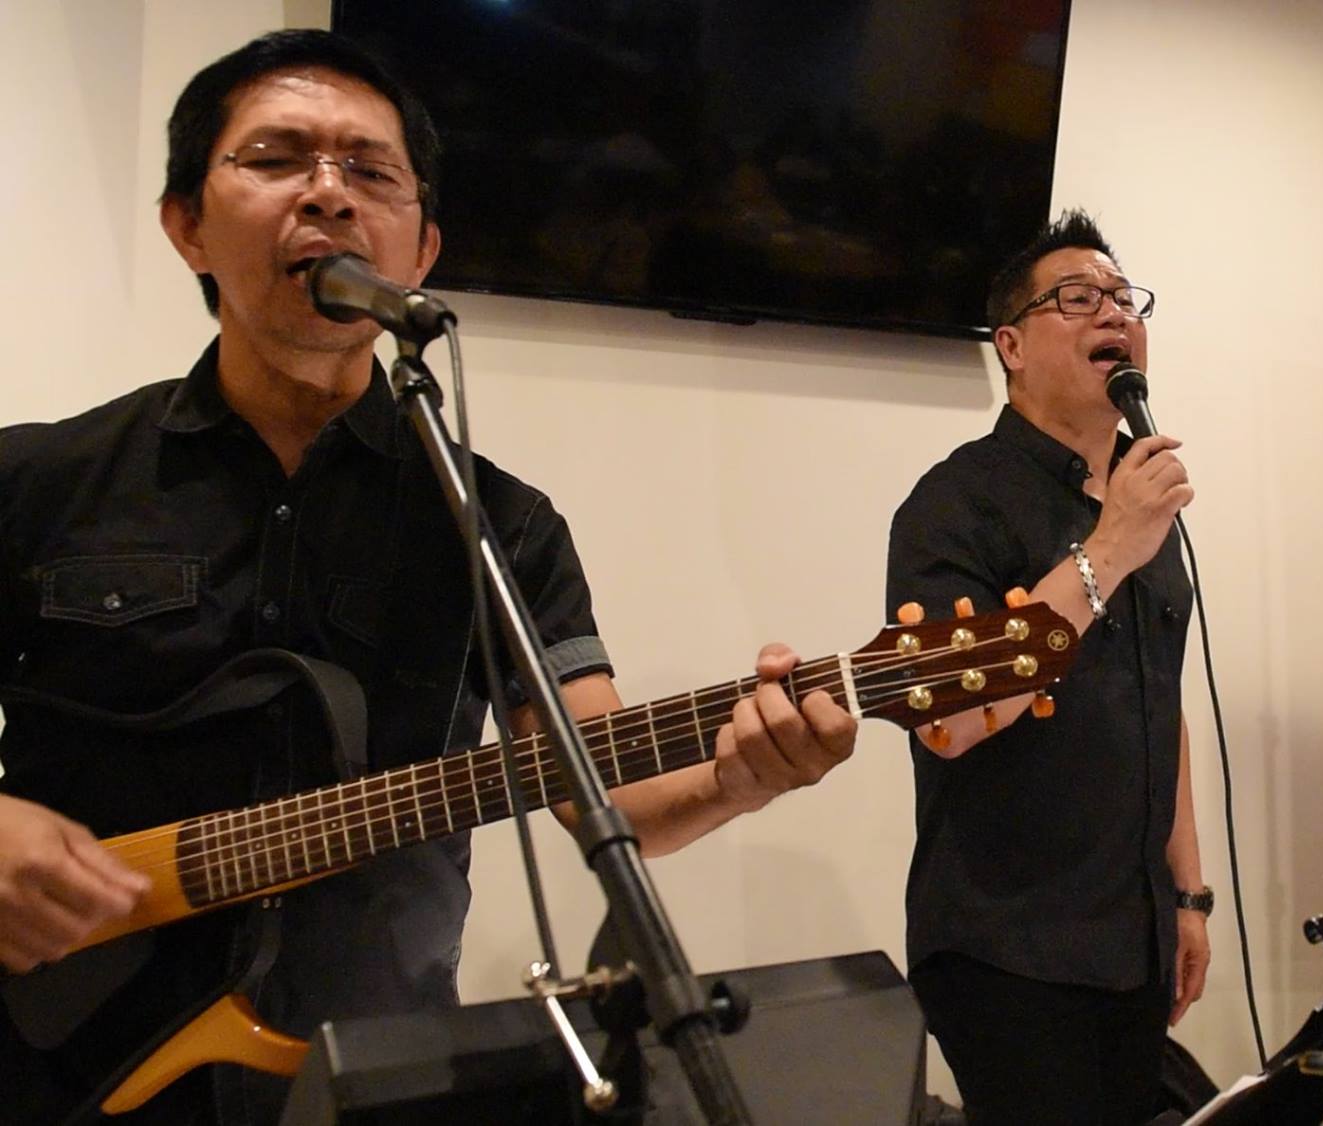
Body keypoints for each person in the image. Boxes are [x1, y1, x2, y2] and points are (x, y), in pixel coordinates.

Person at [0, 30, 856, 1125]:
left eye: (371, 171)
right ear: (186, 225)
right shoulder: (38, 479)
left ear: (421, 252)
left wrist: (744, 777)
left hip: (368, 1064)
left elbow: (604, 788)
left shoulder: (501, 525)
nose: (329, 194)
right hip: (51, 1049)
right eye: (276, 158)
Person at [885, 210, 1209, 1124]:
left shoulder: (1140, 499)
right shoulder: (956, 501)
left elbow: (1160, 700)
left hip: (1135, 938)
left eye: (1123, 298)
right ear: (1012, 345)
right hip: (1006, 944)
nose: (1112, 312)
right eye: (1076, 298)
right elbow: (947, 717)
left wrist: (1188, 895)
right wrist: (1108, 549)